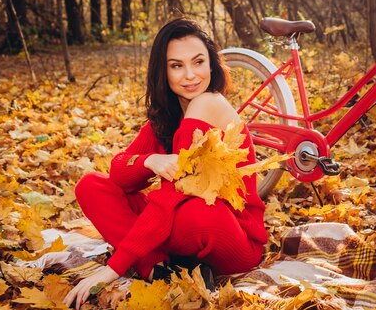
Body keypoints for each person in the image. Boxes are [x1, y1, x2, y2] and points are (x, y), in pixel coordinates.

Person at [64, 18, 267, 309]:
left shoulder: (207, 103)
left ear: (212, 64)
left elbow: (170, 199)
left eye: (198, 62)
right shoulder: (168, 118)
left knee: (195, 210)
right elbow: (119, 172)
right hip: (181, 226)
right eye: (176, 65)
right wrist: (151, 161)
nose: (190, 76)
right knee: (91, 186)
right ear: (163, 71)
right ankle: (160, 269)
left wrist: (113, 268)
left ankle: (150, 262)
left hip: (232, 235)